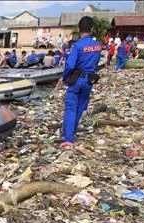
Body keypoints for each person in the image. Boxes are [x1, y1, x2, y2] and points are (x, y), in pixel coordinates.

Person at [58, 16, 101, 148]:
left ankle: (69, 138)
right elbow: (96, 63)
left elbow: (70, 66)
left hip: (76, 79)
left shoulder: (77, 46)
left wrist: (65, 78)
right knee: (80, 107)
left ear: (79, 29)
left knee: (70, 108)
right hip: (89, 80)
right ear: (92, 29)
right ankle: (71, 132)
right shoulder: (97, 46)